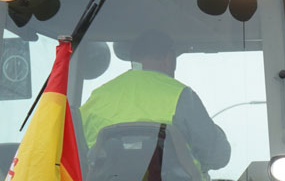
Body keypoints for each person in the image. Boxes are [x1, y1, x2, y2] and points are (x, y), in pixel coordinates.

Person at [81, 29, 231, 172]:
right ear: (169, 59)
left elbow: (73, 152)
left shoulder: (96, 97)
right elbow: (217, 156)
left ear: (133, 60)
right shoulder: (181, 95)